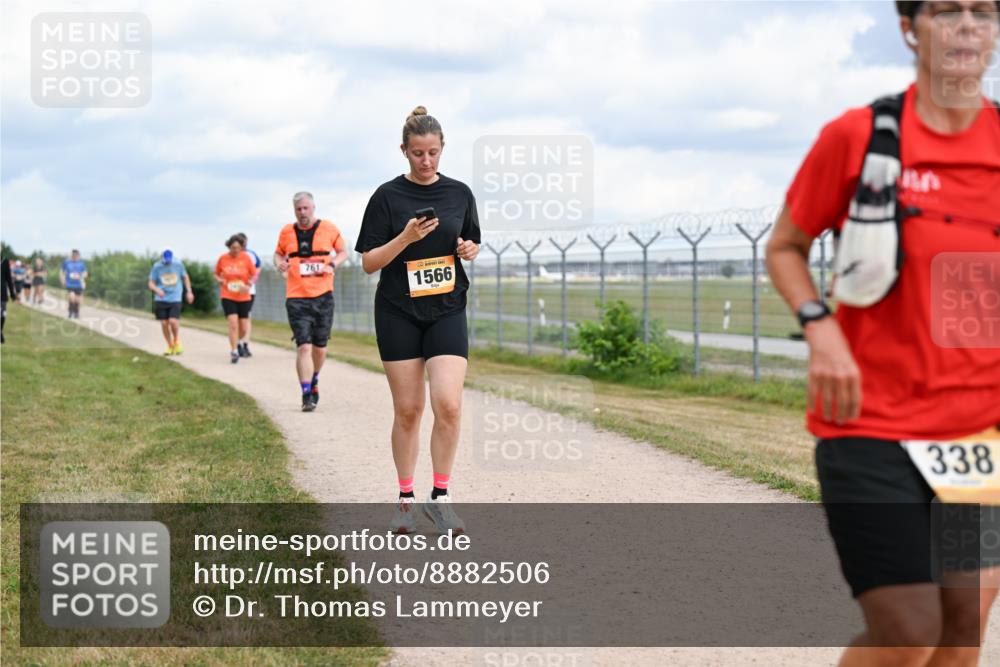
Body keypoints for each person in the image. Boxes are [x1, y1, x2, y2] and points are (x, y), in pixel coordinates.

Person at [765, 2, 1000, 665]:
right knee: (910, 628)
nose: (966, 26)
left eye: (982, 11)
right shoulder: (859, 136)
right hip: (871, 427)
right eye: (946, 11)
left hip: (978, 432)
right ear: (909, 28)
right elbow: (786, 245)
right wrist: (822, 328)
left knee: (962, 631)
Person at [356, 106, 481, 535]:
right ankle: (406, 500)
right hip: (397, 311)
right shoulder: (386, 197)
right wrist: (406, 237)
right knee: (409, 410)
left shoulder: (460, 193)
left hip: (446, 307)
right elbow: (369, 263)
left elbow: (470, 241)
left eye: (432, 153)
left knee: (448, 404)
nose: (426, 162)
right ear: (403, 151)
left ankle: (440, 498)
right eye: (417, 154)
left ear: (443, 148)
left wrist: (469, 250)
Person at [273, 192, 348, 410]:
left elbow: (343, 252)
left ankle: (314, 378)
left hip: (323, 295)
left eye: (306, 208)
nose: (302, 212)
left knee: (320, 348)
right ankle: (306, 393)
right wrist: (280, 264)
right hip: (296, 297)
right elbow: (277, 254)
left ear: (313, 207)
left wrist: (332, 264)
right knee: (303, 346)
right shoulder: (287, 231)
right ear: (294, 210)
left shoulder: (329, 228)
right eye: (298, 209)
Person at [215, 235, 258, 364]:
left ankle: (237, 341)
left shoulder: (246, 258)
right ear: (229, 246)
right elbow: (216, 274)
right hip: (228, 295)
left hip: (243, 295)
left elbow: (254, 274)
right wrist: (220, 280)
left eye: (238, 248)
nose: (236, 250)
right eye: (233, 248)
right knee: (233, 324)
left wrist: (249, 284)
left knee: (243, 328)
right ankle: (234, 351)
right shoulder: (223, 258)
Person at [149, 249, 194, 355]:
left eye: (169, 261)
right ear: (162, 258)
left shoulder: (178, 264)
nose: (167, 263)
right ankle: (170, 345)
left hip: (175, 297)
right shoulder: (157, 267)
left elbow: (185, 277)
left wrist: (189, 292)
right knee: (164, 323)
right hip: (161, 298)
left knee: (173, 321)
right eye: (165, 261)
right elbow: (151, 283)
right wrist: (157, 290)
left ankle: (176, 341)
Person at [235, 232, 260, 358]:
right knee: (238, 319)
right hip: (235, 292)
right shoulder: (232, 255)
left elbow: (257, 270)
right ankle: (238, 343)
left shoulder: (251, 255)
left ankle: (245, 344)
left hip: (249, 291)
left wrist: (250, 283)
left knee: (247, 318)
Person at [60, 250, 88, 319]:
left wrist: (81, 276)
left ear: (78, 256)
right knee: (72, 297)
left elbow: (85, 273)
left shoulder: (81, 264)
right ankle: (70, 312)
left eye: (76, 255)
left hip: (78, 284)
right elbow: (62, 272)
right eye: (73, 255)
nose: (75, 257)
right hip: (70, 284)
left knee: (77, 300)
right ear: (72, 255)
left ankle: (76, 312)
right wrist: (62, 280)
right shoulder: (67, 263)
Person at [1, 256, 14, 343]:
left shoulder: (4, 262)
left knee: (2, 314)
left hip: (2, 293)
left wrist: (12, 293)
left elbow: (9, 278)